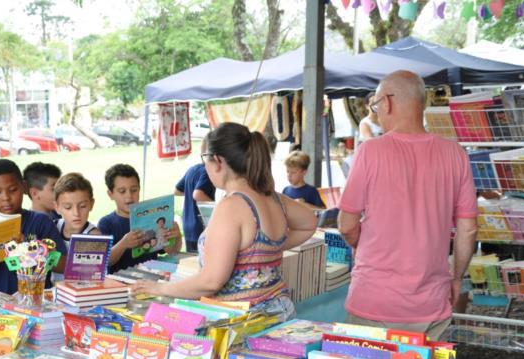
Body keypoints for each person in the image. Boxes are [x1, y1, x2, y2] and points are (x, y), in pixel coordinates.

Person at [337, 71, 478, 340]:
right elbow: (468, 230)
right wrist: (457, 277)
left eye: (376, 106)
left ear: (387, 103)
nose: (377, 113)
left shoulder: (370, 151)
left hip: (373, 299)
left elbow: (347, 224)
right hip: (431, 303)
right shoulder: (455, 154)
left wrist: (361, 245)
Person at [132, 122, 318, 319]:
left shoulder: (231, 206)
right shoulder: (274, 198)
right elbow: (308, 224)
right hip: (280, 311)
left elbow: (211, 281)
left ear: (218, 161)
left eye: (206, 160)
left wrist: (160, 288)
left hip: (243, 322)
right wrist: (264, 251)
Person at [0, 159, 67, 294]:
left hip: (37, 301)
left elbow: (63, 265)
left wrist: (31, 250)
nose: (5, 197)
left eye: (13, 190)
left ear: (24, 187)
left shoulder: (40, 221)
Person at [98, 163, 181, 273]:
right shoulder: (106, 223)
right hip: (120, 283)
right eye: (122, 191)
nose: (129, 196)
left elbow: (172, 251)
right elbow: (104, 261)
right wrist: (123, 244)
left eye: (134, 190)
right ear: (110, 194)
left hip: (151, 279)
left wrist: (176, 236)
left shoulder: (153, 217)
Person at [174, 137, 215, 252]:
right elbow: (197, 194)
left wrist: (189, 190)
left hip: (187, 225)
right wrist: (217, 206)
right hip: (200, 226)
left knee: (192, 260)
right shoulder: (207, 171)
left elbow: (177, 191)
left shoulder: (192, 169)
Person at [54, 172, 102, 249]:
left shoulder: (94, 237)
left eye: (82, 206)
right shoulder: (52, 227)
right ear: (57, 207)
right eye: (68, 207)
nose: (76, 213)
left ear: (91, 204)